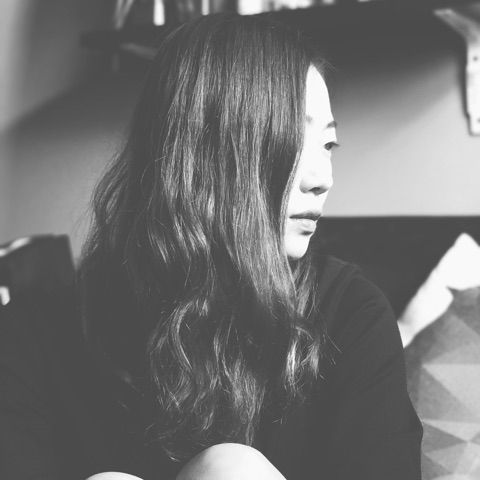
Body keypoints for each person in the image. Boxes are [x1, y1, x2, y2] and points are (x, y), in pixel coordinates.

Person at [0, 12, 423, 480]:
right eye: (292, 140)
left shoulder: (349, 315)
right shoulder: (33, 336)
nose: (323, 179)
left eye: (328, 145)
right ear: (208, 149)